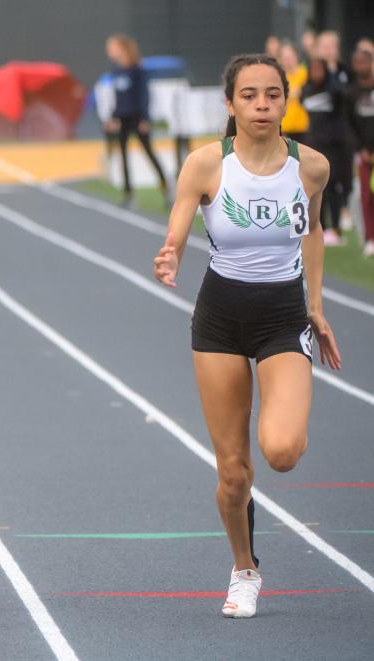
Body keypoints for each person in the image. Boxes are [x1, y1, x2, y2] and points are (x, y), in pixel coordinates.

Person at [153, 54, 341, 619]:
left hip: (283, 316)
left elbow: (311, 233)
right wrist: (171, 253)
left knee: (281, 451)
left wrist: (316, 307)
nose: (262, 105)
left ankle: (280, 404)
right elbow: (179, 225)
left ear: (287, 101)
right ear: (230, 104)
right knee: (233, 471)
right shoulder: (207, 164)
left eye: (273, 95)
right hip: (220, 320)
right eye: (250, 95)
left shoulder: (312, 167)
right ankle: (244, 570)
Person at [104, 33, 169, 207]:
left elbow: (143, 96)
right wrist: (113, 117)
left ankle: (166, 189)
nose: (109, 50)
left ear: (122, 48)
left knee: (149, 153)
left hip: (137, 119)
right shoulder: (116, 71)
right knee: (123, 156)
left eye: (112, 47)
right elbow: (118, 98)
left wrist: (145, 119)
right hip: (122, 119)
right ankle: (128, 194)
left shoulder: (137, 70)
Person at [303, 57, 351, 245]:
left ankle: (336, 228)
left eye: (319, 69)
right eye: (312, 69)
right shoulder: (306, 90)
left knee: (332, 187)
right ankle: (320, 226)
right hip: (313, 145)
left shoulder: (335, 90)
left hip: (334, 147)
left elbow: (344, 101)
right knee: (315, 189)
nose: (316, 73)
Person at [349, 47, 374, 257]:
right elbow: (350, 123)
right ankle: (369, 238)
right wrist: (360, 149)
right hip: (363, 154)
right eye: (357, 63)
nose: (361, 67)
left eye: (364, 62)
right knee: (366, 195)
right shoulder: (352, 91)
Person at [278, 41, 309, 144]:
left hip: (304, 127)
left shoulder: (306, 74)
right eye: (285, 58)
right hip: (285, 128)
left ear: (296, 56)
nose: (288, 61)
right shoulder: (278, 77)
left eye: (290, 57)